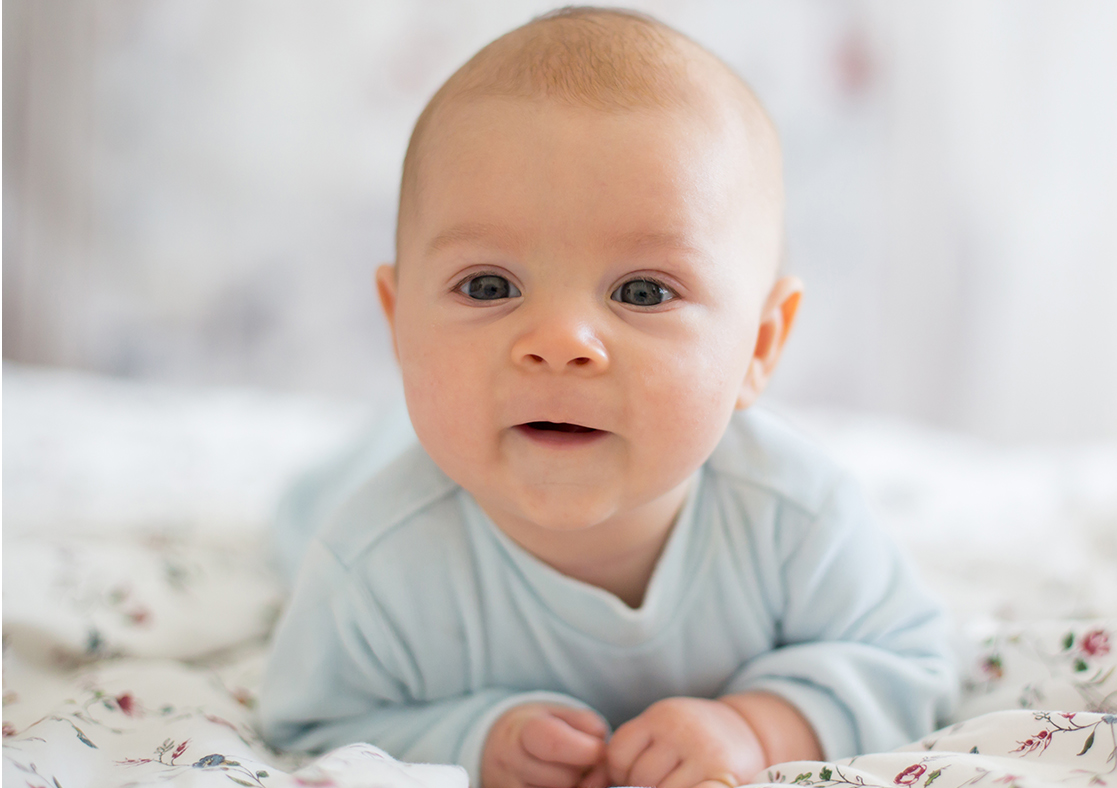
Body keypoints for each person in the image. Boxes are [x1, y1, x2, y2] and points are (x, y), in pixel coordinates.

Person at [259, 8, 957, 788]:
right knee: (312, 507)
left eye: (643, 290)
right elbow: (308, 719)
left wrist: (757, 728)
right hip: (369, 475)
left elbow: (912, 664)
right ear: (399, 323)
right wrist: (471, 739)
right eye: (489, 286)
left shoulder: (797, 518)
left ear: (759, 348)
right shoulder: (371, 563)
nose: (559, 341)